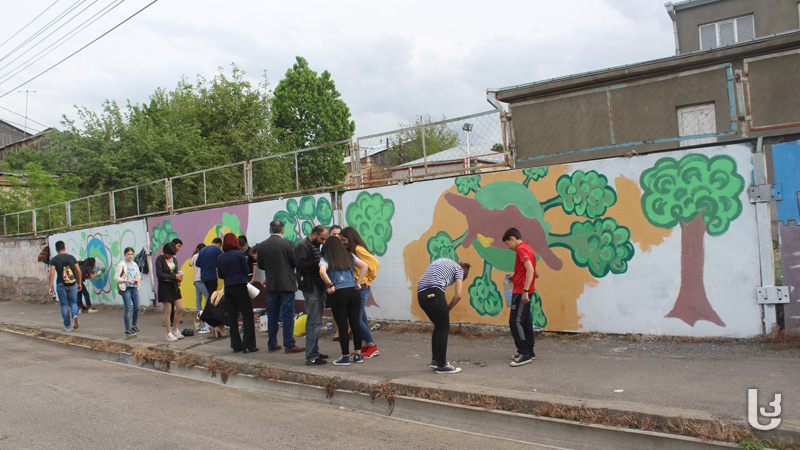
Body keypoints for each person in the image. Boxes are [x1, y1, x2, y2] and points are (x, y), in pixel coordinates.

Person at [257, 220, 304, 354]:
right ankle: (289, 344)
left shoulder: (262, 246)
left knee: (272, 314)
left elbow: (261, 265)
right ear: (282, 230)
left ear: (270, 230)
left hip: (271, 284)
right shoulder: (288, 243)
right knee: (287, 314)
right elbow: (294, 262)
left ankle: (272, 344)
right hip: (287, 283)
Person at [319, 235, 367, 366]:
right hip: (353, 291)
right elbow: (365, 266)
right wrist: (358, 282)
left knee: (342, 326)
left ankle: (345, 356)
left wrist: (329, 284)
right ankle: (358, 354)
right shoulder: (350, 256)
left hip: (338, 293)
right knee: (355, 323)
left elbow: (322, 272)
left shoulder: (325, 259)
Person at [417, 258, 470, 374]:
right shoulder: (459, 270)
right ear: (464, 273)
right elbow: (459, 294)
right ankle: (442, 365)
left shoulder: (439, 261)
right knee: (444, 328)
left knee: (439, 326)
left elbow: (420, 280)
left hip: (421, 295)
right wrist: (448, 308)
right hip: (435, 292)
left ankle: (435, 361)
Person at [340, 226, 381, 359]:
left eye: (344, 240)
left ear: (350, 238)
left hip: (361, 287)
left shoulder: (358, 249)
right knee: (361, 317)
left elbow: (374, 263)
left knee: (356, 319)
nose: (342, 243)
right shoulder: (355, 249)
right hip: (360, 286)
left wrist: (366, 279)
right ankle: (366, 345)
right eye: (341, 240)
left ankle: (372, 345)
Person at [502, 227, 537, 367]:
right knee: (526, 321)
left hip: (521, 291)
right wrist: (515, 275)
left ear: (512, 238)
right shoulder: (529, 249)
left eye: (507, 244)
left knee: (515, 322)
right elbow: (536, 272)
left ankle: (524, 353)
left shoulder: (521, 249)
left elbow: (530, 269)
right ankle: (529, 350)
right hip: (526, 289)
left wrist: (525, 291)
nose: (508, 247)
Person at [217, 233, 257, 353]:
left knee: (232, 316)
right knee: (247, 314)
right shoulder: (240, 254)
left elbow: (220, 275)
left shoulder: (220, 257)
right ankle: (249, 344)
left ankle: (236, 345)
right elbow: (245, 271)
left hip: (228, 287)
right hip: (240, 286)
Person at [296, 224, 329, 365]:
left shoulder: (314, 246)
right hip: (311, 287)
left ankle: (313, 351)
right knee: (313, 322)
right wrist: (318, 265)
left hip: (317, 286)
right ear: (315, 234)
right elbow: (301, 264)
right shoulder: (303, 246)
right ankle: (311, 356)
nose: (323, 241)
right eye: (322, 238)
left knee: (316, 321)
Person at [48, 241, 82, 332]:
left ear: (56, 249)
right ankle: (75, 315)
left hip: (61, 284)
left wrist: (50, 287)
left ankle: (67, 326)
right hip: (72, 283)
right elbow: (78, 271)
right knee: (73, 302)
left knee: (64, 304)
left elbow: (51, 274)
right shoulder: (71, 258)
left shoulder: (54, 260)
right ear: (65, 247)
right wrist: (79, 283)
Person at [156, 243, 185, 342]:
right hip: (165, 287)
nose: (171, 256)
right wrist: (173, 277)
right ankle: (168, 333)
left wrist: (178, 279)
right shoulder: (160, 259)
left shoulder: (174, 260)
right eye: (170, 254)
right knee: (168, 309)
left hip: (174, 286)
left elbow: (175, 272)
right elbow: (160, 274)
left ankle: (175, 329)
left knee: (180, 307)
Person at [115, 247, 142, 337]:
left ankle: (134, 325)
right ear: (125, 255)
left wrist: (137, 279)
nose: (130, 256)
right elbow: (116, 278)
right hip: (125, 288)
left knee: (137, 307)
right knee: (128, 307)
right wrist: (126, 281)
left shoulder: (134, 264)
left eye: (131, 254)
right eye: (128, 254)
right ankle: (127, 328)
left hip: (134, 287)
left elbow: (138, 275)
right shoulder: (122, 264)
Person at [190, 243, 211, 333]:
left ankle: (199, 312)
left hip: (195, 279)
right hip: (201, 278)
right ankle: (204, 313)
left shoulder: (194, 256)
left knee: (198, 297)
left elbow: (190, 264)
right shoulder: (203, 255)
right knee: (207, 295)